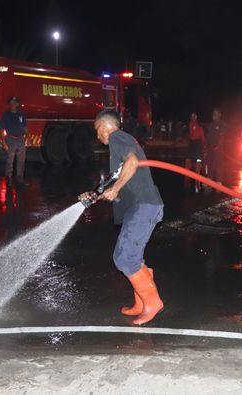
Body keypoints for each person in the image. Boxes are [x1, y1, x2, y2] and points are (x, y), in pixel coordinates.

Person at [79, 110, 164, 325]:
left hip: (143, 206)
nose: (98, 137)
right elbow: (116, 177)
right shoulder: (123, 142)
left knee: (124, 257)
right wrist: (94, 195)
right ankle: (142, 303)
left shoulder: (117, 137)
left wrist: (116, 189)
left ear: (106, 126)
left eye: (98, 131)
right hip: (141, 207)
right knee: (134, 256)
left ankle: (153, 302)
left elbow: (132, 162)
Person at [0, 96, 28, 187]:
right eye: (11, 102)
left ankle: (20, 179)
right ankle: (9, 179)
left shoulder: (21, 114)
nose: (13, 104)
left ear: (17, 104)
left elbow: (25, 127)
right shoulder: (5, 115)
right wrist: (3, 142)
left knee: (21, 160)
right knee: (9, 161)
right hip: (10, 139)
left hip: (20, 139)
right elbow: (1, 129)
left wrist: (29, 137)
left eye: (14, 102)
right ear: (9, 104)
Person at [205, 108, 227, 182]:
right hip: (210, 148)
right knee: (209, 164)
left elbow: (222, 137)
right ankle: (209, 180)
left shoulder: (222, 124)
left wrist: (217, 146)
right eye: (213, 114)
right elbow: (208, 136)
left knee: (218, 165)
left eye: (215, 114)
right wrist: (206, 146)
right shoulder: (211, 125)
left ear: (219, 115)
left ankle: (219, 182)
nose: (213, 115)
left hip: (218, 148)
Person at [185, 112, 205, 190]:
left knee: (198, 157)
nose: (193, 117)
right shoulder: (189, 124)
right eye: (192, 116)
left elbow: (201, 133)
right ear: (190, 117)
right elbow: (187, 133)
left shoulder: (199, 124)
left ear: (196, 117)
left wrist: (203, 142)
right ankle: (189, 173)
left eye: (194, 116)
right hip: (191, 142)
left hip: (198, 142)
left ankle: (198, 171)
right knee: (189, 157)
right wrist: (188, 139)